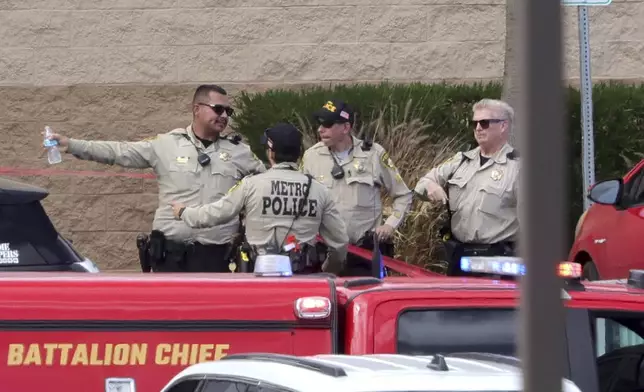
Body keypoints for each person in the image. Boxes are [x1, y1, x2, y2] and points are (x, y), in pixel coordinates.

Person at [45, 84, 267, 273]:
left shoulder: (240, 152)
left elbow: (267, 184)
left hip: (218, 256)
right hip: (171, 255)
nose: (225, 116)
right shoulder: (166, 144)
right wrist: (72, 145)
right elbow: (119, 152)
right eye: (218, 109)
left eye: (229, 111)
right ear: (197, 109)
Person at [170, 122, 349, 274]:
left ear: (271, 153)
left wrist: (184, 212)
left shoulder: (251, 184)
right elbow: (340, 243)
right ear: (299, 153)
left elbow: (214, 214)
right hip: (303, 276)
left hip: (257, 277)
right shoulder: (319, 190)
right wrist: (328, 270)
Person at [300, 99, 413, 276]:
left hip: (363, 254)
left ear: (345, 127)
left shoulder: (373, 154)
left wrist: (390, 225)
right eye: (319, 124)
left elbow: (403, 195)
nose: (320, 130)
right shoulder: (311, 156)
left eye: (328, 125)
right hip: (324, 255)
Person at [414, 98, 520, 276]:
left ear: (503, 126)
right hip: (460, 256)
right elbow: (421, 185)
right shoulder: (461, 160)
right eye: (475, 123)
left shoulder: (518, 167)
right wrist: (431, 186)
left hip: (498, 262)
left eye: (484, 123)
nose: (478, 128)